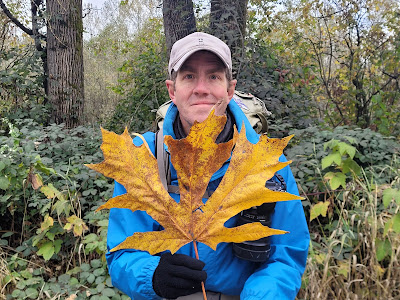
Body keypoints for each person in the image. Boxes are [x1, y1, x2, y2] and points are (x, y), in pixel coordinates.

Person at [106, 32, 310, 300]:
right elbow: (121, 253)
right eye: (189, 76)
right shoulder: (143, 158)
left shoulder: (266, 162)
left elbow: (287, 256)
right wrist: (151, 276)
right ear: (172, 90)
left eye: (213, 76)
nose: (201, 88)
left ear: (230, 89)